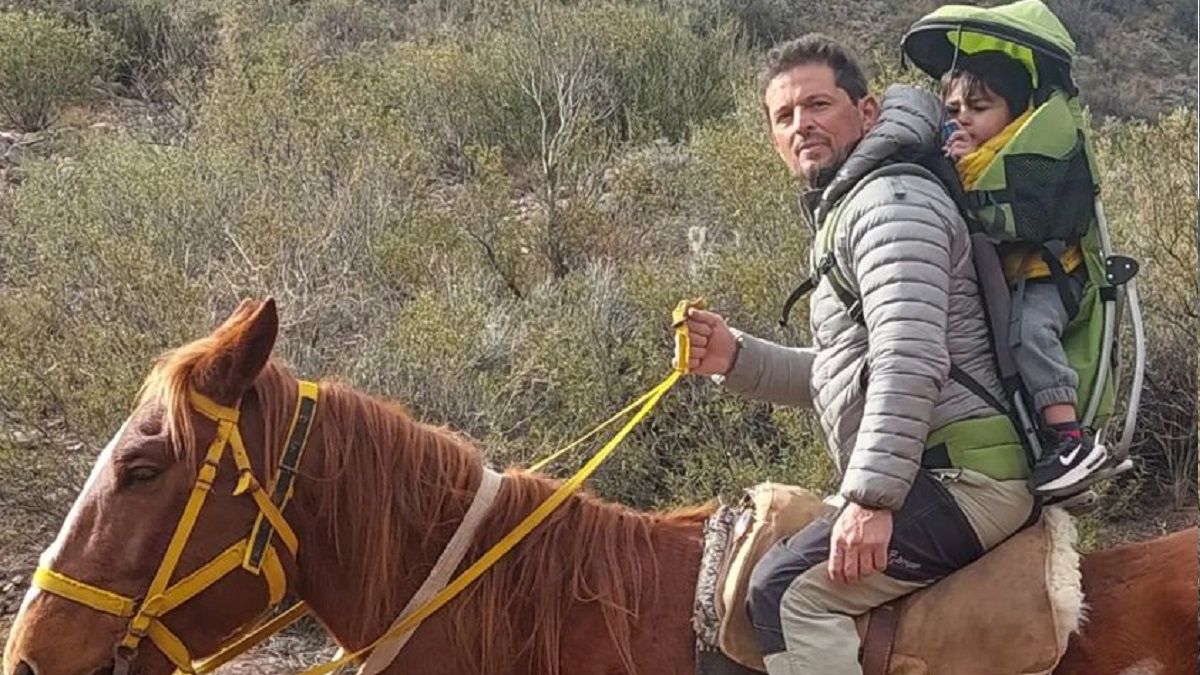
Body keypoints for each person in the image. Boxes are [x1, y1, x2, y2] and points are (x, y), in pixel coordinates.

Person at [679, 35, 1037, 675]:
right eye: (784, 117)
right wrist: (737, 357)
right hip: (934, 465)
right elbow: (854, 371)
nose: (802, 125)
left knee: (787, 592)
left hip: (961, 475)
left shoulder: (889, 202)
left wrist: (871, 501)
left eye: (818, 104)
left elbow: (910, 354)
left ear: (866, 113)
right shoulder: (860, 205)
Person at [941, 51, 1107, 497]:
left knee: (1029, 335)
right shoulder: (977, 150)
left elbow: (1002, 206)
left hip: (1050, 275)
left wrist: (965, 165)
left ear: (1014, 112)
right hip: (1013, 280)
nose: (964, 120)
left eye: (979, 108)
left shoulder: (1022, 149)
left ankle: (1071, 439)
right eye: (954, 110)